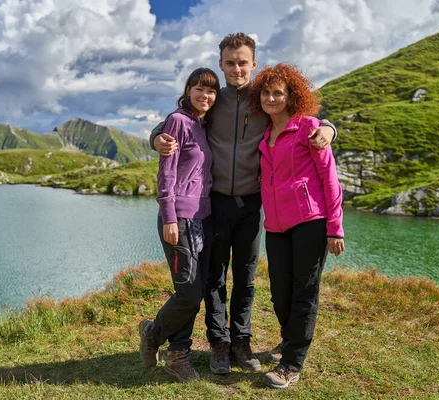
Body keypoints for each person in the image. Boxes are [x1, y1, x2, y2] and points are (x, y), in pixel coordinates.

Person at [150, 33, 338, 374]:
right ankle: (219, 343)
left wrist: (329, 128)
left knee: (247, 278)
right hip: (215, 203)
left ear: (253, 63)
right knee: (215, 277)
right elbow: (173, 124)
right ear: (221, 64)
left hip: (252, 203)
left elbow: (304, 117)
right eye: (230, 63)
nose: (236, 68)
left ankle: (241, 340)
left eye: (243, 62)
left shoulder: (265, 98)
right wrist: (155, 138)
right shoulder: (212, 98)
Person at [249, 63, 344, 389]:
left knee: (304, 292)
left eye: (279, 93)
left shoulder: (310, 128)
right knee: (280, 292)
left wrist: (335, 226)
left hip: (310, 222)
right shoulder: (265, 134)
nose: (271, 97)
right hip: (275, 226)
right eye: (266, 92)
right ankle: (290, 339)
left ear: (292, 96)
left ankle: (291, 363)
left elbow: (329, 178)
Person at [138, 67, 220, 382]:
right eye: (198, 88)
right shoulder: (177, 122)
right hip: (181, 219)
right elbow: (167, 174)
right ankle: (153, 335)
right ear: (187, 90)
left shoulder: (203, 123)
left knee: (192, 290)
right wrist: (170, 217)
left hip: (205, 217)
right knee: (188, 292)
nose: (205, 95)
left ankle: (176, 355)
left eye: (211, 90)